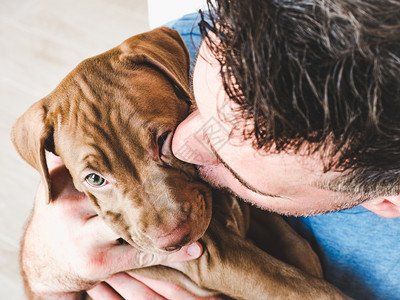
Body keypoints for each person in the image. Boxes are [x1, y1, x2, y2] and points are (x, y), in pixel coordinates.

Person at [21, 0, 400, 299]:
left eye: (229, 159)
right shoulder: (187, 49)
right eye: (198, 104)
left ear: (387, 200)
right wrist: (48, 272)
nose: (187, 144)